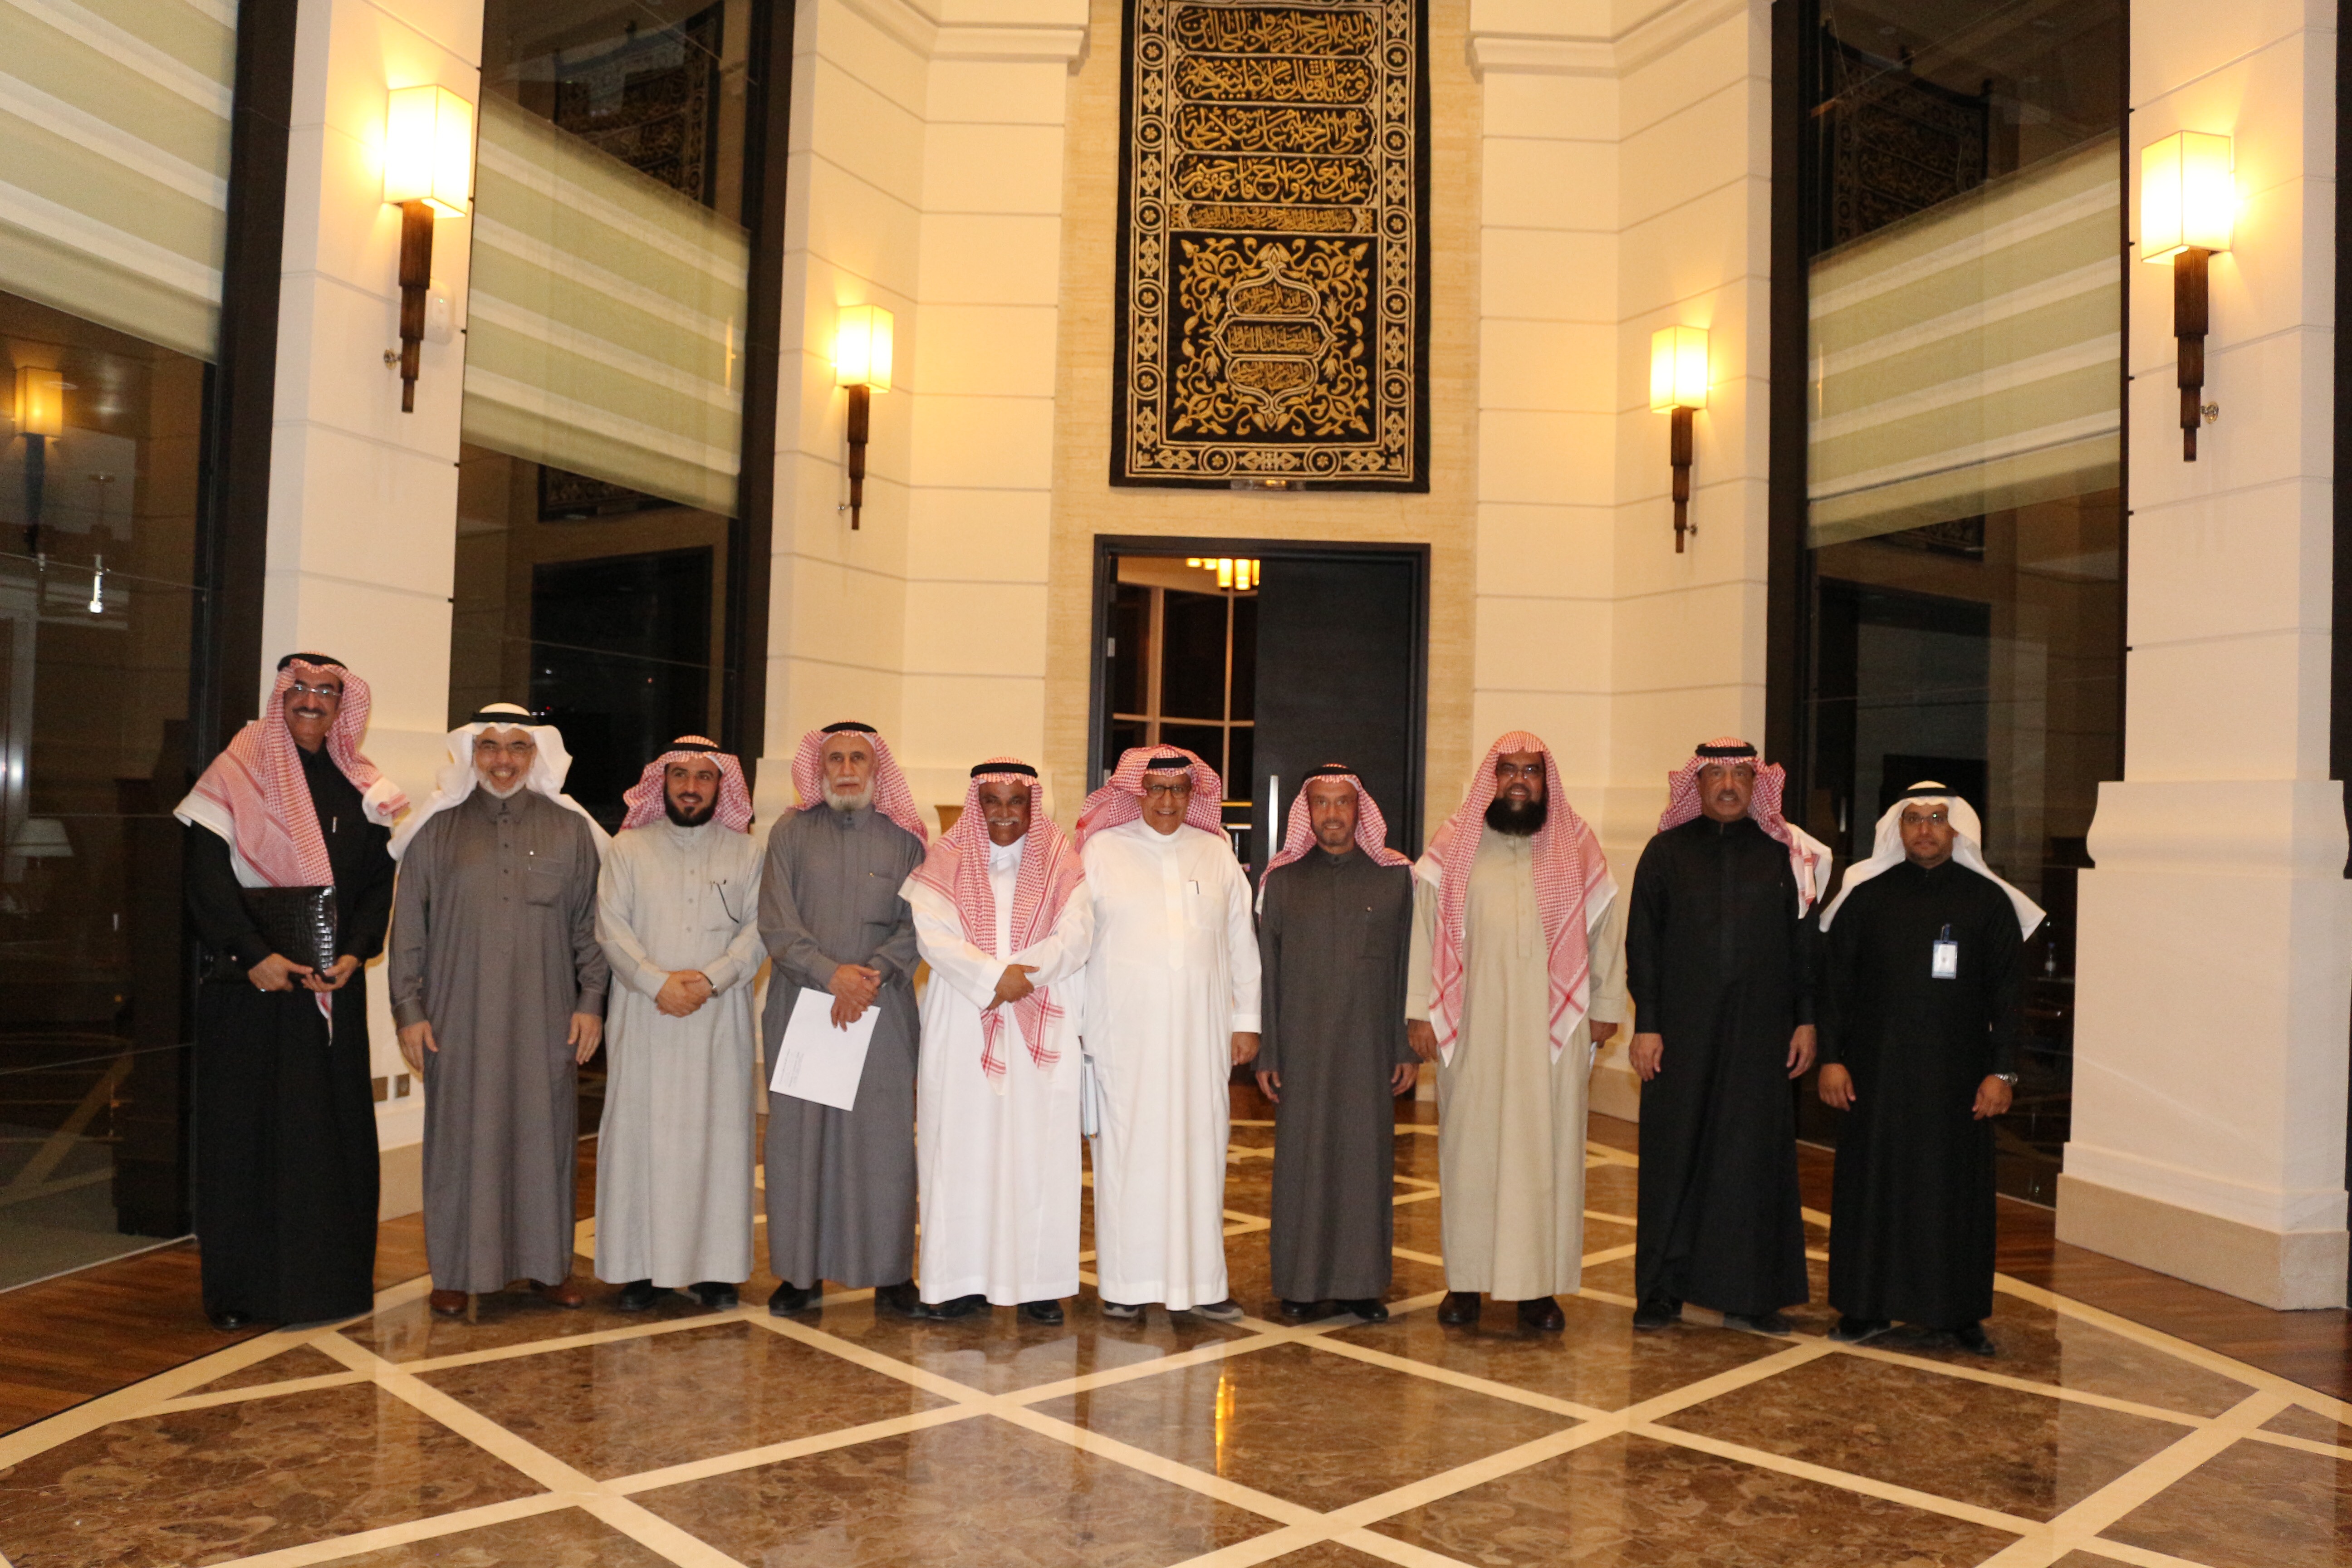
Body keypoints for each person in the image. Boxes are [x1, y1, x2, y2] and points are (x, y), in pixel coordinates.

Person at [175, 652, 406, 1328]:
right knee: (246, 1139)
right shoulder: (234, 773)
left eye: (327, 691)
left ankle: (330, 1287)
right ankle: (242, 1294)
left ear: (343, 706)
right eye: (300, 688)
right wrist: (254, 955)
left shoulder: (361, 785)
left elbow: (377, 884)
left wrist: (358, 950)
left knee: (327, 1139)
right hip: (255, 992)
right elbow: (206, 879)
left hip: (333, 990)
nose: (312, 700)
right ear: (281, 697)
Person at [387, 704, 609, 1317]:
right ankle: (455, 1271)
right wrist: (409, 1010)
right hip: (457, 1015)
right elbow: (408, 930)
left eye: (517, 747)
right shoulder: (437, 829)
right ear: (471, 754)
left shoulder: (571, 830)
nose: (503, 760)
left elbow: (591, 927)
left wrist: (592, 1002)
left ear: (536, 755)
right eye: (489, 747)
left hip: (549, 1014)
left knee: (546, 1138)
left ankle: (547, 1268)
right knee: (460, 1140)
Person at [1405, 732, 1625, 1333]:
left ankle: (1538, 1290)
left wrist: (1606, 1003)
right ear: (1493, 778)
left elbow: (1606, 930)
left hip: (1553, 1034)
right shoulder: (1454, 843)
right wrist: (1420, 1011)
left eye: (1532, 771)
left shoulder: (1577, 845)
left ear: (1546, 781)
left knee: (1547, 1153)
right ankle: (1466, 1283)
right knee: (1469, 1151)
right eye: (1509, 770)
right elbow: (1425, 930)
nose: (1520, 781)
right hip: (1472, 1026)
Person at [1816, 784, 2042, 1357]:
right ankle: (1863, 1307)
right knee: (1873, 1191)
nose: (1925, 829)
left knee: (1953, 1196)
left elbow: (2008, 997)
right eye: (1914, 819)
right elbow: (1835, 987)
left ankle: (1957, 1314)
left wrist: (2003, 1074)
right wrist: (1832, 1059)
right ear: (1899, 829)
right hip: (1875, 1078)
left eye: (1937, 818)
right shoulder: (1866, 898)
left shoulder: (1987, 902)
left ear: (1957, 829)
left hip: (1957, 1082)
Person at [1625, 738, 1833, 1335]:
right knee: (1674, 1156)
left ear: (1755, 785)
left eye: (1740, 775)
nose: (1728, 786)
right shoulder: (1665, 854)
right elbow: (1643, 944)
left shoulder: (1782, 857)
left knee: (1750, 1161)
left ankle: (1751, 1295)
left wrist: (1806, 1019)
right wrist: (1648, 1024)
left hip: (1761, 1035)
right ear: (1696, 784)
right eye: (1716, 775)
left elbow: (1804, 947)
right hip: (1680, 1036)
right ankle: (1661, 1291)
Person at [903, 758, 1093, 1323]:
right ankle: (958, 1281)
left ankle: (1038, 1284)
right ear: (977, 805)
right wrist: (993, 978)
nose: (1004, 813)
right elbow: (931, 936)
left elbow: (1077, 936)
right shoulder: (946, 860)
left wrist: (1022, 976)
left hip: (1041, 1016)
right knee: (960, 1150)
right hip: (964, 1018)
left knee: (1040, 1151)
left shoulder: (1062, 862)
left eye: (1016, 802)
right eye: (992, 801)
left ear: (1033, 805)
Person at [1077, 746, 1259, 1323]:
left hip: (1201, 1038)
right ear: (1136, 792)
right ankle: (1126, 1284)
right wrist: (1078, 1028)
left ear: (1192, 795)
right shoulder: (1102, 851)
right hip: (1122, 1038)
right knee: (1127, 1156)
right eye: (1156, 788)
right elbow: (1077, 943)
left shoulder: (1215, 852)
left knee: (1201, 1153)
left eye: (1179, 789)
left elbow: (1241, 944)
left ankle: (1202, 1283)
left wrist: (1247, 1022)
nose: (1167, 800)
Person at [760, 722, 929, 1317]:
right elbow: (777, 923)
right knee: (799, 1144)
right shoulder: (789, 834)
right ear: (820, 768)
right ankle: (800, 1275)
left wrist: (869, 976)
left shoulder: (906, 841)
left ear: (877, 770)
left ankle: (891, 1275)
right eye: (836, 759)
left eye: (859, 758)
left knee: (883, 1145)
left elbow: (920, 925)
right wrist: (832, 974)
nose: (848, 769)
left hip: (882, 1011)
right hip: (804, 1006)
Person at [592, 736, 765, 1310]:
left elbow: (759, 931)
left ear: (721, 787)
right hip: (646, 1017)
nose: (692, 787)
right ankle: (640, 1269)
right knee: (642, 1137)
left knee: (719, 1139)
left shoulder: (747, 853)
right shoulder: (628, 849)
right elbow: (611, 928)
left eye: (704, 777)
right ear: (661, 783)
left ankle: (716, 1269)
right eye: (681, 776)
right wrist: (657, 983)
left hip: (719, 1019)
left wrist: (712, 980)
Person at [1254, 765, 1416, 1322]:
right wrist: (1269, 1052)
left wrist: (1404, 1047)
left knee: (1364, 1163)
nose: (1331, 814)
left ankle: (1361, 1285)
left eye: (1342, 802)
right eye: (1321, 803)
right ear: (1307, 812)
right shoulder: (1283, 882)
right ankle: (1299, 1286)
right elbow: (1267, 974)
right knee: (1302, 1164)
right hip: (1301, 1048)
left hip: (1370, 1050)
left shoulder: (1395, 880)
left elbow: (1407, 970)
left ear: (1358, 809)